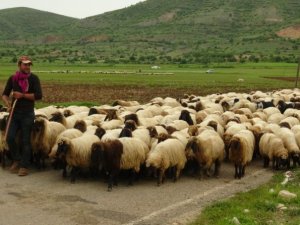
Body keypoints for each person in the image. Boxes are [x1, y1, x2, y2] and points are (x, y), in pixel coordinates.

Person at [2, 56, 42, 176]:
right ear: (19, 65)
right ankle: (16, 159)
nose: (27, 67)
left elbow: (39, 96)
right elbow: (4, 94)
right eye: (25, 64)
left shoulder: (34, 79)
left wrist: (23, 95)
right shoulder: (13, 78)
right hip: (14, 113)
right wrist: (8, 103)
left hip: (27, 113)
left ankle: (24, 166)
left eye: (29, 64)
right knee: (9, 137)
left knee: (26, 140)